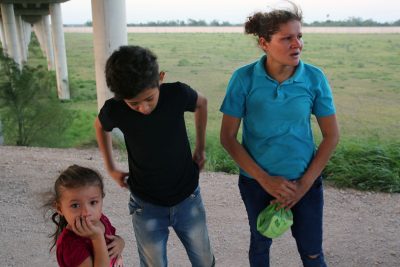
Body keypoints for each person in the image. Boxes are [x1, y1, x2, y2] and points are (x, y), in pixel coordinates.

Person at [219, 3, 339, 267]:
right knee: (260, 246)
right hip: (256, 183)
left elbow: (331, 136)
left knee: (312, 253)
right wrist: (265, 180)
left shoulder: (314, 78)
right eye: (287, 38)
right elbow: (228, 137)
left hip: (304, 183)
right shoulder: (244, 79)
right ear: (264, 43)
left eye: (299, 36)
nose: (297, 44)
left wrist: (303, 186)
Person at [94, 45, 214, 267]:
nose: (143, 108)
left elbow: (202, 103)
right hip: (145, 204)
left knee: (204, 260)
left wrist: (200, 147)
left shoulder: (176, 94)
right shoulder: (116, 109)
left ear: (160, 78)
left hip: (188, 197)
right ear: (120, 98)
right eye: (133, 103)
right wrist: (110, 167)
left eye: (149, 98)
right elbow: (100, 126)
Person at [44, 164, 125, 267]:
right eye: (75, 205)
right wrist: (97, 238)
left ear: (101, 199)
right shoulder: (71, 244)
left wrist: (120, 243)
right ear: (60, 208)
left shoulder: (101, 220)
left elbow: (113, 238)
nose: (86, 212)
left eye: (93, 202)